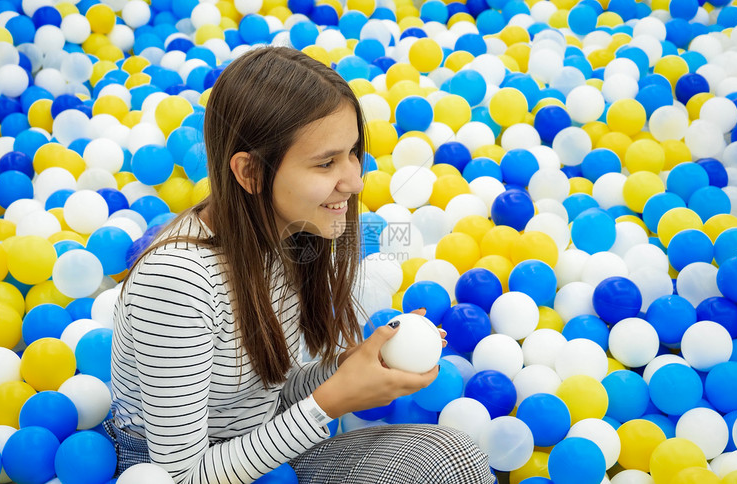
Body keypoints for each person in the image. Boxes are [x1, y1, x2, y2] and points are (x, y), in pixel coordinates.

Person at [104, 45, 493, 484]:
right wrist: (330, 401)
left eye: (352, 154)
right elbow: (180, 476)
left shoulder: (289, 237)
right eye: (326, 162)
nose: (355, 181)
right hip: (173, 469)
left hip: (263, 453)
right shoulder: (177, 283)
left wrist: (350, 367)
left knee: (455, 459)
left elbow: (262, 395)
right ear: (249, 173)